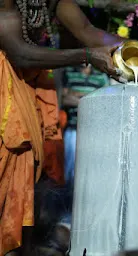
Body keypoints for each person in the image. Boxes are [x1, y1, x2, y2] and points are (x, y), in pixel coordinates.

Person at [0, 0, 127, 254]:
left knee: (23, 193)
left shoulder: (53, 1)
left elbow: (87, 31)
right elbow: (19, 52)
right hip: (5, 92)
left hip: (26, 92)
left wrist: (125, 48)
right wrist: (86, 55)